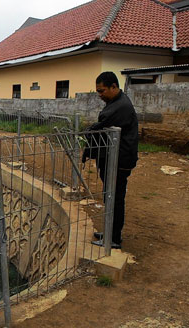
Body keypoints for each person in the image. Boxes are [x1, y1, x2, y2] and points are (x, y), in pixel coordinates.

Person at [83, 71, 139, 249]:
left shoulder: (120, 107)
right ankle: (110, 232)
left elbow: (100, 127)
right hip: (112, 159)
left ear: (114, 87)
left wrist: (89, 132)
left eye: (102, 91)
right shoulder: (116, 102)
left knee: (114, 198)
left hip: (119, 161)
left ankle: (113, 239)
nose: (100, 95)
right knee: (110, 196)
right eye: (98, 91)